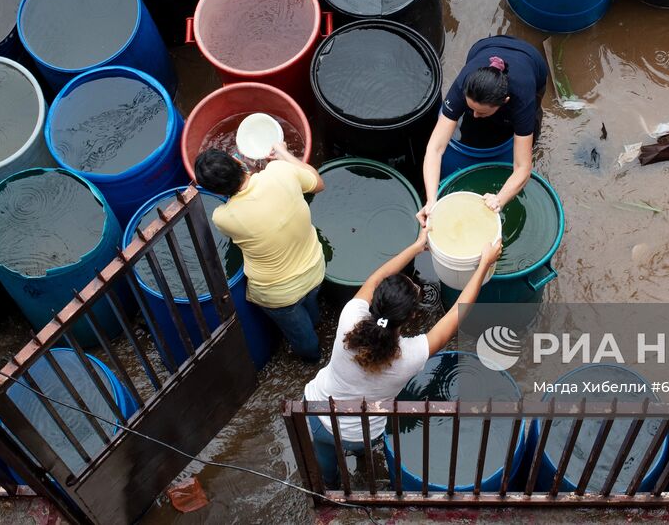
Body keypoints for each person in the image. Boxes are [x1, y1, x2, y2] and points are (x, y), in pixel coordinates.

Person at [302, 231, 502, 488]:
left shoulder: (349, 318)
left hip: (317, 415)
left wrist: (417, 246)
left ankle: (329, 489)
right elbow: (456, 314)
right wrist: (484, 264)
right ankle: (362, 467)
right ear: (408, 319)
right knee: (358, 443)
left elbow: (376, 278)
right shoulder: (411, 356)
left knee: (325, 456)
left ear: (375, 302)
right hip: (363, 434)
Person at [194, 143, 326, 361]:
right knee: (310, 303)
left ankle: (312, 358)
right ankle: (315, 320)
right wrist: (283, 153)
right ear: (238, 161)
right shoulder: (280, 171)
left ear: (216, 191)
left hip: (279, 295)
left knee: (301, 334)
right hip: (315, 267)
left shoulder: (223, 217)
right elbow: (318, 183)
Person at [418, 35, 549, 224]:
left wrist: (499, 200)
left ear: (505, 102)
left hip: (531, 60)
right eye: (470, 108)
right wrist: (431, 200)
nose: (474, 115)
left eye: (481, 111)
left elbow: (523, 167)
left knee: (528, 128)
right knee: (474, 122)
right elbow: (435, 148)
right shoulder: (464, 85)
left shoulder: (522, 98)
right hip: (485, 47)